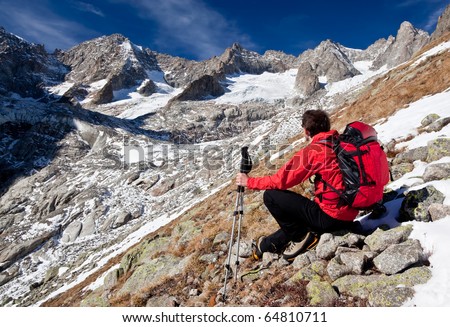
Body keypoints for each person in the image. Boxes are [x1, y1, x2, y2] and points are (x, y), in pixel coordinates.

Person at [235, 109, 359, 261]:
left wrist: (249, 182)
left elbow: (281, 180)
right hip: (351, 211)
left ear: (306, 131)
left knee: (271, 196)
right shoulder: (341, 142)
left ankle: (301, 239)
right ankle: (264, 247)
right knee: (301, 217)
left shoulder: (315, 151)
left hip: (331, 217)